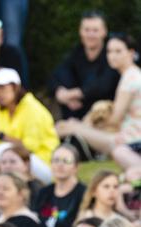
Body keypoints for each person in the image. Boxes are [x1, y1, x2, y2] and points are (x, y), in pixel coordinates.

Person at [56, 33, 141, 171]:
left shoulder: (130, 78)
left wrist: (90, 123)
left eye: (118, 51)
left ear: (131, 53)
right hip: (127, 136)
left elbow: (114, 119)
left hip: (129, 140)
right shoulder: (132, 74)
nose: (112, 55)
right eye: (109, 51)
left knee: (68, 126)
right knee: (70, 125)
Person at [0, 68, 59, 183]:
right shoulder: (0, 110)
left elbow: (29, 148)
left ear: (15, 87)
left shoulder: (32, 109)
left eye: (2, 89)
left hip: (44, 163)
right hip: (16, 160)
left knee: (4, 150)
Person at [49, 11, 119, 120]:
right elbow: (56, 75)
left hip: (105, 114)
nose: (90, 35)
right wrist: (60, 93)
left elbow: (105, 84)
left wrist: (72, 94)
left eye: (95, 30)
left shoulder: (112, 54)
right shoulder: (77, 52)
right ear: (80, 31)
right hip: (76, 110)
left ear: (104, 32)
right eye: (86, 30)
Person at [33, 145, 87, 227]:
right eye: (56, 160)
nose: (60, 165)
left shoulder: (84, 193)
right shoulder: (43, 192)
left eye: (66, 161)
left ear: (76, 167)